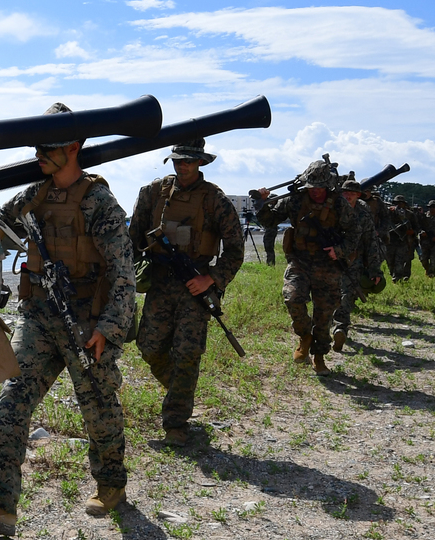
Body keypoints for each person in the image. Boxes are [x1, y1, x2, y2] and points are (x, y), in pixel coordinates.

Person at [0, 103, 136, 538]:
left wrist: (108, 329)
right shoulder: (32, 195)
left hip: (87, 323)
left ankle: (110, 484)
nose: (40, 155)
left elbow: (124, 275)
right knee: (11, 406)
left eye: (49, 147)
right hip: (38, 319)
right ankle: (1, 502)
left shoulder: (99, 202)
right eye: (37, 147)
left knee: (99, 407)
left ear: (74, 146)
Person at [130, 136, 242, 444]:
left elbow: (235, 249)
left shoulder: (215, 199)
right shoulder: (153, 193)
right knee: (149, 347)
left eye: (189, 161)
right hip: (160, 282)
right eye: (178, 160)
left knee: (187, 353)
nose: (183, 166)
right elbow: (132, 239)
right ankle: (179, 388)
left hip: (195, 286)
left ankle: (176, 423)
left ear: (201, 162)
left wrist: (212, 279)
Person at [254, 159, 360, 375]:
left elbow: (355, 232)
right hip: (300, 261)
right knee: (292, 298)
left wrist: (338, 250)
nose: (317, 192)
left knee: (324, 313)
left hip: (327, 265)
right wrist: (261, 204)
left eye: (321, 187)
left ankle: (319, 356)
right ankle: (304, 336)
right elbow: (270, 221)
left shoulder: (338, 203)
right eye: (313, 187)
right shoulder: (295, 200)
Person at [332, 179, 384, 354]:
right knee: (328, 294)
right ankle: (324, 328)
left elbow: (371, 241)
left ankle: (340, 328)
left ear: (358, 195)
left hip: (353, 259)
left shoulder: (363, 211)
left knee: (347, 294)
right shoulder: (332, 207)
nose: (348, 196)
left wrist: (375, 269)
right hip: (329, 257)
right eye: (345, 192)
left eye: (352, 193)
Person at [387, 195, 421, 281]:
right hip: (390, 240)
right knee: (390, 260)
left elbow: (417, 227)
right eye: (397, 203)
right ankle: (393, 274)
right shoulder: (389, 212)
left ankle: (397, 277)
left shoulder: (410, 214)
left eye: (401, 203)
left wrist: (412, 232)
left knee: (400, 260)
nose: (399, 205)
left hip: (404, 241)